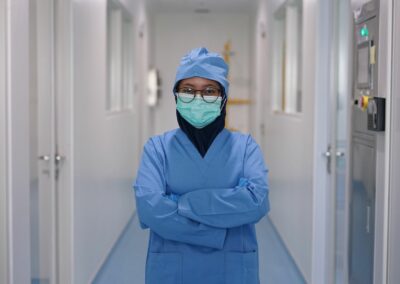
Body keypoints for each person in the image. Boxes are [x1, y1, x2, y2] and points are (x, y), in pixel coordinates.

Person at [133, 47, 270, 284]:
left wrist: (181, 203)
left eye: (209, 91)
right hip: (173, 271)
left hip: (232, 270)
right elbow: (150, 209)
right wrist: (219, 229)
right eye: (188, 90)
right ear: (176, 96)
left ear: (223, 97)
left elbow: (257, 202)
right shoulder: (157, 149)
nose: (198, 99)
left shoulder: (245, 147)